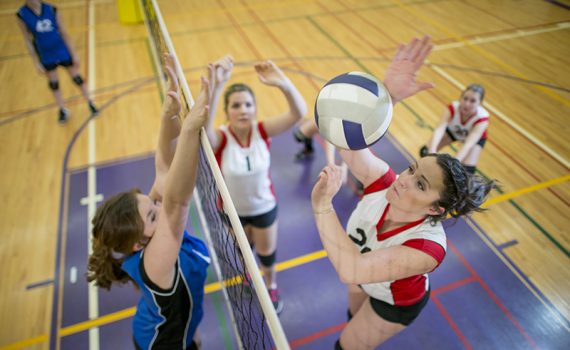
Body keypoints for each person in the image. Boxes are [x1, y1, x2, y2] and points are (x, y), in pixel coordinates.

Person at [310, 36, 496, 350]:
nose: (404, 179)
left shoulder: (426, 248)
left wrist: (322, 206)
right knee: (352, 318)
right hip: (364, 274)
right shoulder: (384, 183)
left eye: (420, 184)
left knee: (346, 346)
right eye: (412, 168)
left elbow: (350, 268)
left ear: (436, 209)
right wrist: (387, 99)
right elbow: (347, 141)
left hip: (394, 302)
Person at [86, 54, 211, 350]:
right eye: (153, 215)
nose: (159, 204)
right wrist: (190, 130)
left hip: (182, 325)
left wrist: (169, 116)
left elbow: (165, 168)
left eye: (151, 203)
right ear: (136, 244)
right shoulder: (153, 262)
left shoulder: (148, 232)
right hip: (160, 344)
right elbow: (178, 204)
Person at [205, 55, 307, 314]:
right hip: (232, 212)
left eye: (248, 105)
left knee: (267, 254)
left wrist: (282, 83)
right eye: (236, 105)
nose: (243, 110)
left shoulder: (262, 131)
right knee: (243, 255)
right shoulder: (221, 138)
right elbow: (204, 134)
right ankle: (249, 276)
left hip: (263, 207)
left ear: (255, 109)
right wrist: (217, 87)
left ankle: (271, 285)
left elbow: (299, 113)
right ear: (227, 111)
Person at [17, 0, 98, 123]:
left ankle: (90, 102)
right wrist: (36, 62)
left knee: (77, 78)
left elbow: (64, 32)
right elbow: (27, 40)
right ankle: (62, 109)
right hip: (45, 54)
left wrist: (74, 54)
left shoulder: (51, 9)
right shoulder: (22, 15)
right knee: (54, 83)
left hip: (61, 50)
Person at [419, 84, 489, 174]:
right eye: (465, 98)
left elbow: (468, 144)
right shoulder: (453, 108)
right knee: (425, 152)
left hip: (473, 139)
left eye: (472, 101)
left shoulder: (482, 119)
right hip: (453, 131)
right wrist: (432, 151)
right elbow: (439, 129)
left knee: (466, 171)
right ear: (460, 98)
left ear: (480, 103)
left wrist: (454, 163)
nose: (467, 104)